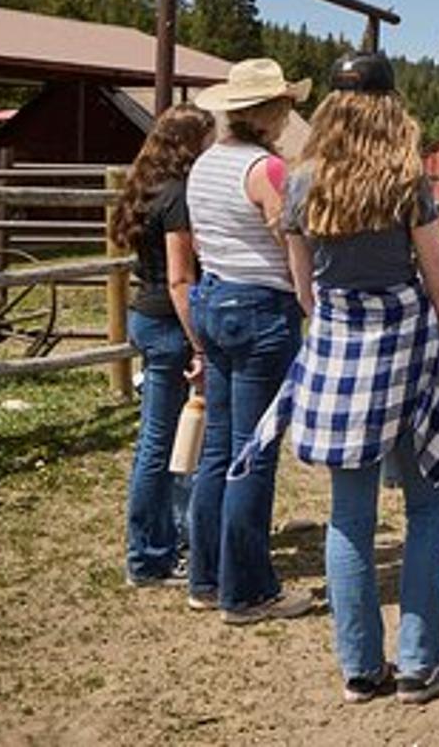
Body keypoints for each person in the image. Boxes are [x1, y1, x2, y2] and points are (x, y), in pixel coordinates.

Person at [234, 52, 439, 705]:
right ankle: (421, 664)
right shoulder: (406, 180)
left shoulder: (304, 183)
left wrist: (340, 328)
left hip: (339, 348)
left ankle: (361, 668)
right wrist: (431, 342)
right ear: (391, 107)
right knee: (426, 505)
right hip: (406, 341)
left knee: (349, 517)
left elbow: (305, 290)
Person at [184, 58, 316, 625]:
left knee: (219, 449)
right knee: (253, 452)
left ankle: (207, 577)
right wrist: (308, 298)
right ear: (269, 112)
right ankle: (249, 590)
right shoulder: (268, 170)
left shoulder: (204, 163)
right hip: (261, 306)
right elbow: (290, 241)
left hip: (214, 299)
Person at [110, 104, 213, 588]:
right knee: (161, 444)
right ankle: (150, 555)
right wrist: (200, 344)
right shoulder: (177, 196)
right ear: (191, 144)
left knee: (161, 441)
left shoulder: (146, 188)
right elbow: (179, 279)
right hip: (170, 325)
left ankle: (162, 543)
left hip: (145, 316)